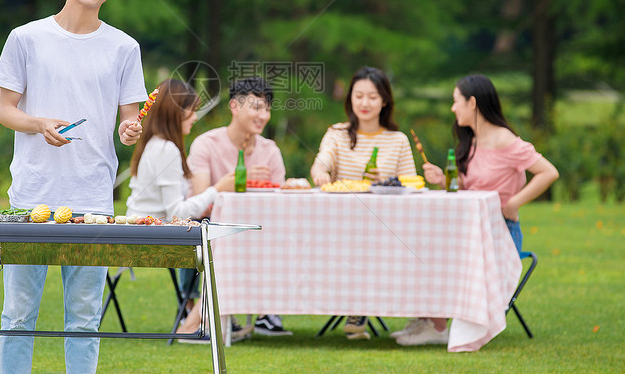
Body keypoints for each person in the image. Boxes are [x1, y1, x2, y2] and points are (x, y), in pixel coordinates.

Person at [0, 0, 148, 373]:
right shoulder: (26, 38)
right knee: (18, 316)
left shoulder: (124, 47)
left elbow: (127, 122)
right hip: (32, 195)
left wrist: (130, 130)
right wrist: (39, 123)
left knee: (83, 321)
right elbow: (6, 111)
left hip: (92, 199)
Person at [393, 73, 560, 347]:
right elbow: (472, 189)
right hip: (470, 232)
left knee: (440, 253)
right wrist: (443, 179)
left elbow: (548, 172)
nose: (452, 108)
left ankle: (436, 326)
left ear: (472, 103)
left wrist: (513, 203)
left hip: (500, 235)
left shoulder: (505, 140)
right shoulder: (471, 141)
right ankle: (428, 320)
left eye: (455, 101)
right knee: (420, 244)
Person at [309, 66, 417, 341]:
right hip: (340, 223)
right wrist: (320, 172)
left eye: (372, 96)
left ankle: (360, 308)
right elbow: (322, 162)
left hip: (387, 225)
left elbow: (411, 185)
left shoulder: (398, 140)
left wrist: (387, 180)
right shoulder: (337, 133)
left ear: (384, 101)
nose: (365, 103)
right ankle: (356, 308)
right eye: (359, 96)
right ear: (350, 100)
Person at [187, 76, 289, 337]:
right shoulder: (206, 144)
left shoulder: (270, 150)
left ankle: (263, 310)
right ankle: (216, 314)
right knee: (226, 237)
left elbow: (280, 204)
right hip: (211, 230)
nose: (263, 115)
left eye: (267, 109)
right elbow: (199, 202)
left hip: (261, 234)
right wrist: (237, 180)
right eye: (256, 107)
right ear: (234, 106)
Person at [125, 78, 235, 221]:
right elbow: (176, 214)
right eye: (192, 110)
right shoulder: (166, 149)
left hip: (139, 228)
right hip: (148, 234)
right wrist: (217, 189)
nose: (195, 117)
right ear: (175, 111)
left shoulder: (154, 143)